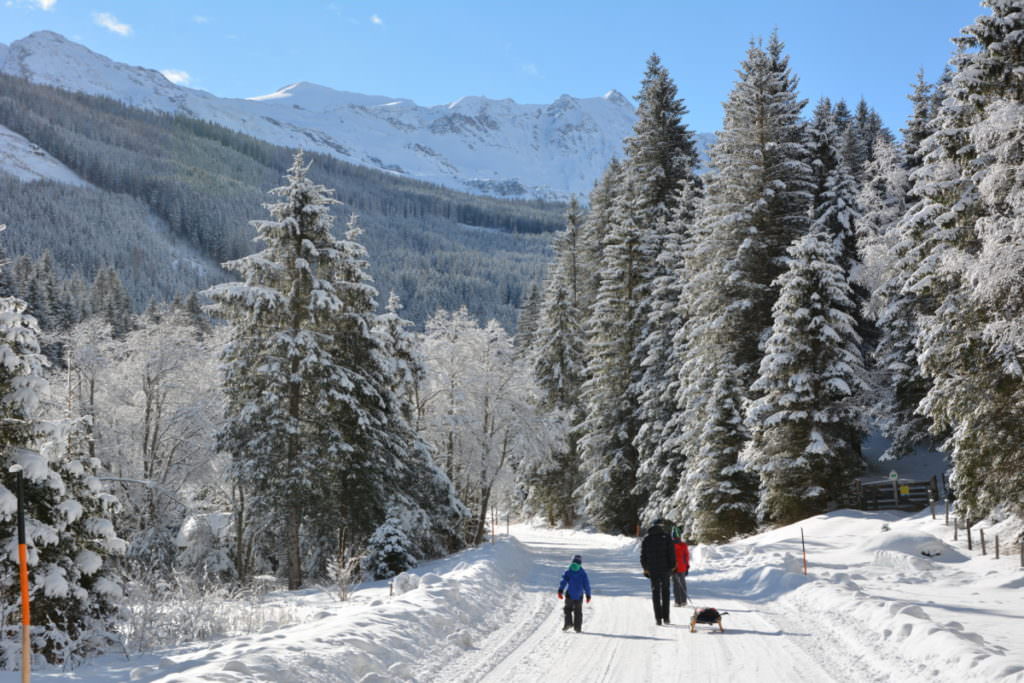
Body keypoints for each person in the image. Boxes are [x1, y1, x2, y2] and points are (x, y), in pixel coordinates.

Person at [640, 520, 675, 625]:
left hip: (653, 570)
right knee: (665, 592)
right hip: (665, 570)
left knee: (655, 593)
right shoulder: (667, 538)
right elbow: (671, 554)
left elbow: (643, 556)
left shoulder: (647, 539)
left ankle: (658, 619)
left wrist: (645, 568)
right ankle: (666, 617)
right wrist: (672, 567)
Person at [557, 554, 592, 632]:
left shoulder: (568, 571)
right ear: (580, 563)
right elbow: (586, 585)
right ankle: (578, 628)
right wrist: (588, 595)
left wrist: (560, 590)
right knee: (578, 611)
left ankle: (568, 623)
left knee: (567, 609)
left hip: (569, 594)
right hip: (579, 596)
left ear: (572, 561)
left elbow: (563, 581)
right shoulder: (583, 573)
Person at [671, 526, 690, 607]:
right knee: (682, 584)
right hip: (682, 567)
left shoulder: (670, 545)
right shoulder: (683, 545)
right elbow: (686, 557)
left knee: (676, 585)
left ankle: (677, 602)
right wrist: (687, 566)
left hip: (673, 568)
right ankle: (683, 601)